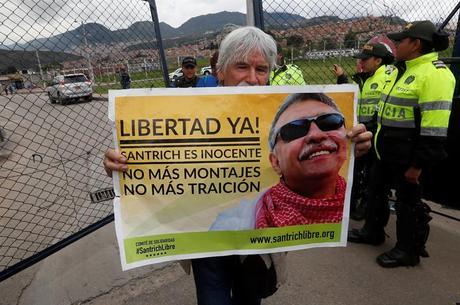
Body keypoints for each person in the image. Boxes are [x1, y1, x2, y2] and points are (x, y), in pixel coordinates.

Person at [104, 26, 373, 305]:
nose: (253, 79)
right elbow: (149, 161)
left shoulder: (283, 113)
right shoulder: (185, 112)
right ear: (220, 71)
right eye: (242, 67)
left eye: (262, 69)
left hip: (257, 241)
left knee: (250, 296)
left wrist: (354, 147)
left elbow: (318, 161)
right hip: (205, 240)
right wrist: (118, 164)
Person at [348, 20, 455, 268]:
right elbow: (387, 112)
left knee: (408, 203)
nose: (396, 45)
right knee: (376, 190)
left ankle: (408, 251)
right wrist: (369, 129)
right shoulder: (401, 70)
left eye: (400, 41)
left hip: (409, 158)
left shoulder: (435, 74)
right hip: (385, 151)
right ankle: (372, 232)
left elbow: (434, 129)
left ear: (416, 44)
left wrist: (418, 165)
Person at [333, 43, 395, 220]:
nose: (361, 62)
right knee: (360, 171)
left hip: (376, 132)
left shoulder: (387, 77)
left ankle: (367, 206)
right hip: (361, 130)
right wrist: (342, 78)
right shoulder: (366, 78)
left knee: (373, 174)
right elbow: (354, 97)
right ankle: (357, 204)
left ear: (378, 60)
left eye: (365, 59)